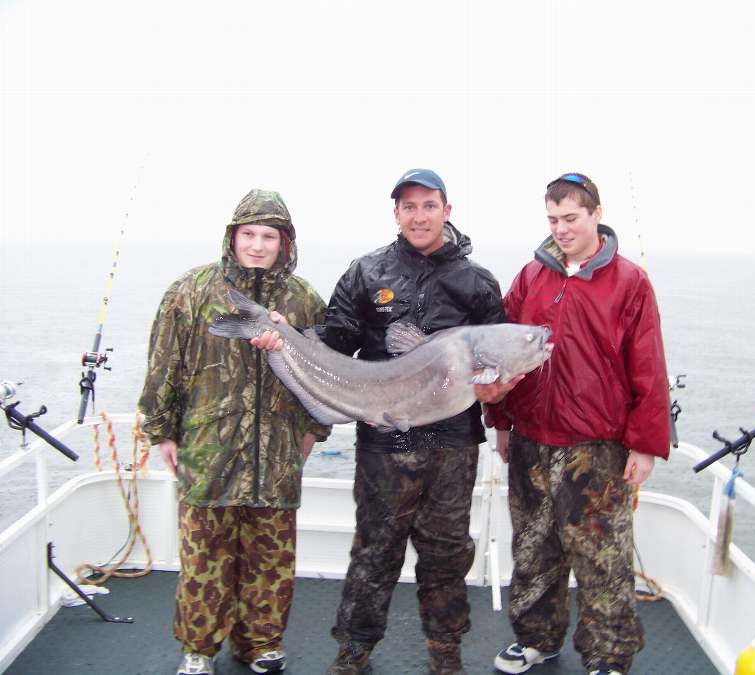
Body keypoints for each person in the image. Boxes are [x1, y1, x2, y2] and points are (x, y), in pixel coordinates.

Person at [253, 168, 512, 675]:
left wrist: (499, 394)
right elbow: (335, 338)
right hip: (384, 440)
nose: (419, 216)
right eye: (408, 207)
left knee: (447, 554)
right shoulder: (366, 272)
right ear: (396, 214)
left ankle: (446, 653)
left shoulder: (478, 283)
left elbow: (497, 359)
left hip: (453, 443)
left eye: (429, 205)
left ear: (447, 211)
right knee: (374, 550)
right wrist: (288, 338)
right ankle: (354, 649)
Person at [484, 173, 671, 675]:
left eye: (571, 218)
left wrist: (645, 445)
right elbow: (501, 353)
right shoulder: (531, 276)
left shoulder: (629, 281)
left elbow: (648, 365)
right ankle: (536, 639)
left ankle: (608, 656)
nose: (561, 229)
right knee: (533, 548)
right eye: (553, 219)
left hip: (596, 446)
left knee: (601, 556)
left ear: (595, 215)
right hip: (530, 441)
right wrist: (500, 420)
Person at [138, 189, 331, 675]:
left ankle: (261, 644)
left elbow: (327, 372)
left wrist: (313, 432)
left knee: (270, 559)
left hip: (277, 455)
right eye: (249, 234)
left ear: (285, 243)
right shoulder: (191, 291)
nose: (259, 245)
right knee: (204, 561)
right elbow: (165, 366)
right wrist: (163, 431)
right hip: (209, 452)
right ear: (233, 236)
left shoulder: (304, 300)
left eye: (270, 236)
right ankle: (199, 649)